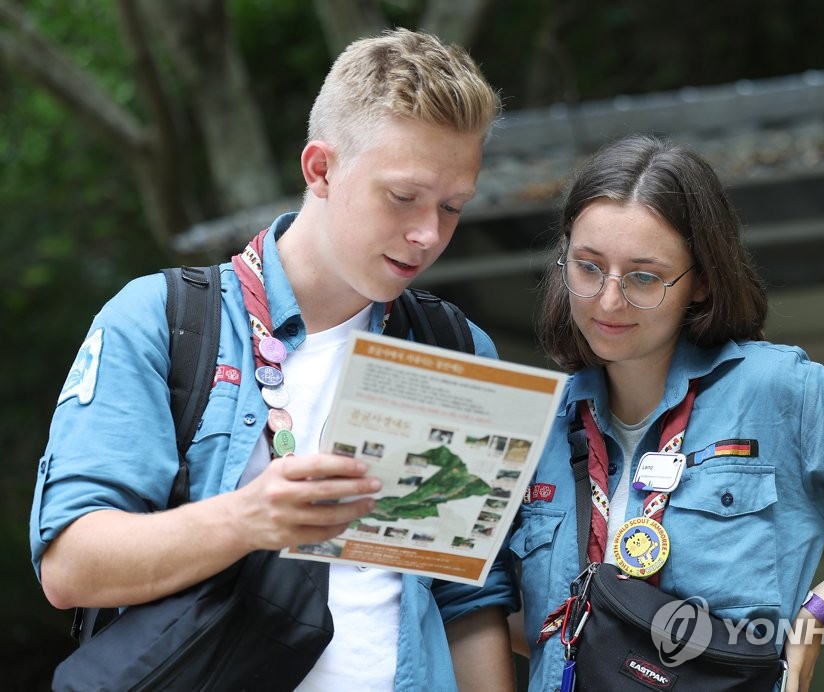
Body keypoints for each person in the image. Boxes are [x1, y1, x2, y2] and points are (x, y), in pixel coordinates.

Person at [31, 28, 517, 690]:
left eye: (453, 207)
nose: (428, 234)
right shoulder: (162, 321)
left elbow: (467, 602)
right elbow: (70, 566)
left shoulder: (455, 347)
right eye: (403, 197)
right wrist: (245, 519)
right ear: (319, 168)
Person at [509, 134, 824, 691]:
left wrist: (820, 610)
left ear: (700, 282)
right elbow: (509, 619)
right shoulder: (540, 424)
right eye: (587, 268)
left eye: (644, 277)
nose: (608, 300)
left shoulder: (775, 391)